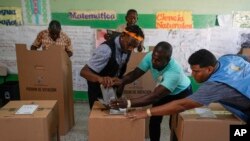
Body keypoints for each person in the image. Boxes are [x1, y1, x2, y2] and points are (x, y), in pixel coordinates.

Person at [126, 49, 250, 125]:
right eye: (191, 70)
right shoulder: (228, 58)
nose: (192, 74)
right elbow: (246, 59)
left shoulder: (215, 85)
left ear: (209, 69)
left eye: (196, 71)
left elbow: (182, 105)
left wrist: (146, 112)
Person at [110, 41, 192, 141]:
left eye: (158, 60)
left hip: (181, 93)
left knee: (175, 123)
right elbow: (135, 74)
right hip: (163, 90)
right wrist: (121, 81)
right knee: (154, 119)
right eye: (153, 57)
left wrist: (128, 103)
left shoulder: (174, 72)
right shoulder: (151, 56)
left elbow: (155, 96)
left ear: (168, 60)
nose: (153, 62)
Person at [80, 25, 144, 109]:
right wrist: (100, 79)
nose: (130, 49)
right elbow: (84, 72)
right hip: (97, 91)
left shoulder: (127, 47)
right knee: (99, 119)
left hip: (112, 90)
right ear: (123, 35)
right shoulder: (106, 50)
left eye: (133, 47)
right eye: (129, 45)